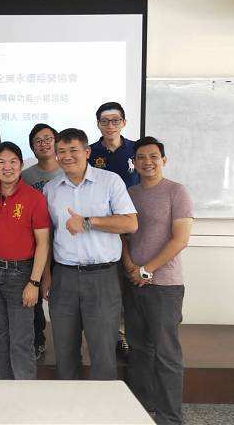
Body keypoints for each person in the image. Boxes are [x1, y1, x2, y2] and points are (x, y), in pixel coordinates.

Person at [43, 128, 137, 380]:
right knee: (64, 353)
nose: (67, 156)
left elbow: (130, 223)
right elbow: (48, 236)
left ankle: (102, 404)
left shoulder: (110, 181)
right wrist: (47, 276)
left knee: (103, 352)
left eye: (73, 150)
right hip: (64, 277)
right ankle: (69, 403)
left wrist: (87, 222)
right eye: (61, 151)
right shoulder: (51, 189)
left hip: (102, 278)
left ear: (87, 152)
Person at [121, 137, 193, 425]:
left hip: (165, 286)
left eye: (153, 156)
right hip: (133, 282)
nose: (147, 162)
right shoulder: (130, 193)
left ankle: (170, 417)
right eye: (141, 157)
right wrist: (130, 267)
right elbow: (123, 236)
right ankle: (142, 409)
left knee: (166, 353)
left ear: (164, 160)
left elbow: (180, 239)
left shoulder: (177, 191)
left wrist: (146, 270)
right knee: (139, 349)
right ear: (134, 162)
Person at [0, 142, 50, 379]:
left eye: (13, 162)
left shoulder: (35, 198)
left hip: (23, 275)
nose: (7, 167)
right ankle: (4, 389)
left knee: (21, 340)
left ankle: (24, 395)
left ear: (21, 165)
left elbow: (43, 244)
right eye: (1, 162)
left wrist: (34, 282)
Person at [88, 102, 139, 360]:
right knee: (112, 287)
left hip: (132, 226)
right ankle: (116, 336)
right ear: (98, 124)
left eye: (115, 120)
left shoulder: (136, 150)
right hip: (101, 230)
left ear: (124, 122)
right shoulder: (90, 152)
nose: (110, 125)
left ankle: (132, 334)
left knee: (132, 280)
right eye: (104, 121)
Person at [21, 123, 64, 361]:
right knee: (35, 296)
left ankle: (67, 346)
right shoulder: (27, 176)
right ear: (32, 147)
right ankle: (38, 341)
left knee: (62, 301)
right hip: (37, 246)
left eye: (48, 138)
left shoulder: (69, 169)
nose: (44, 143)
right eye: (38, 141)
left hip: (66, 247)